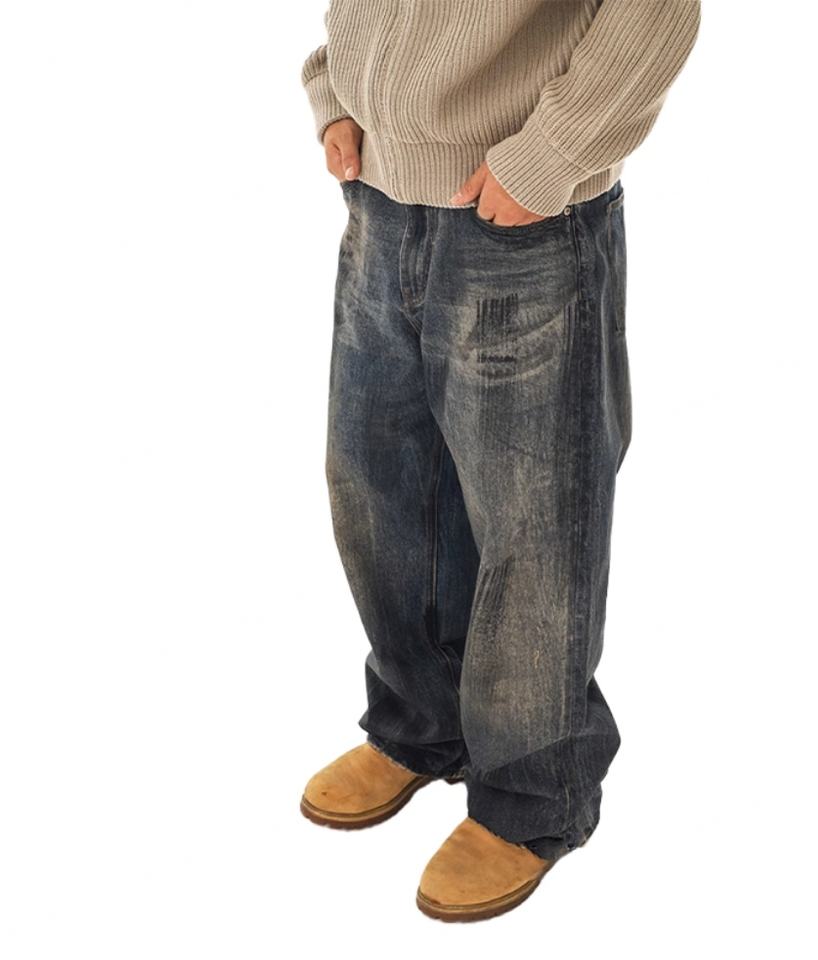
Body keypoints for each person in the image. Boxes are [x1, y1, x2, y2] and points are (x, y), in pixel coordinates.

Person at [298, 0, 701, 922]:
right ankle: (422, 723)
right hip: (379, 201)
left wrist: (551, 156)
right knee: (377, 484)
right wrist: (336, 92)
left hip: (523, 216)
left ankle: (532, 796)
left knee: (535, 520)